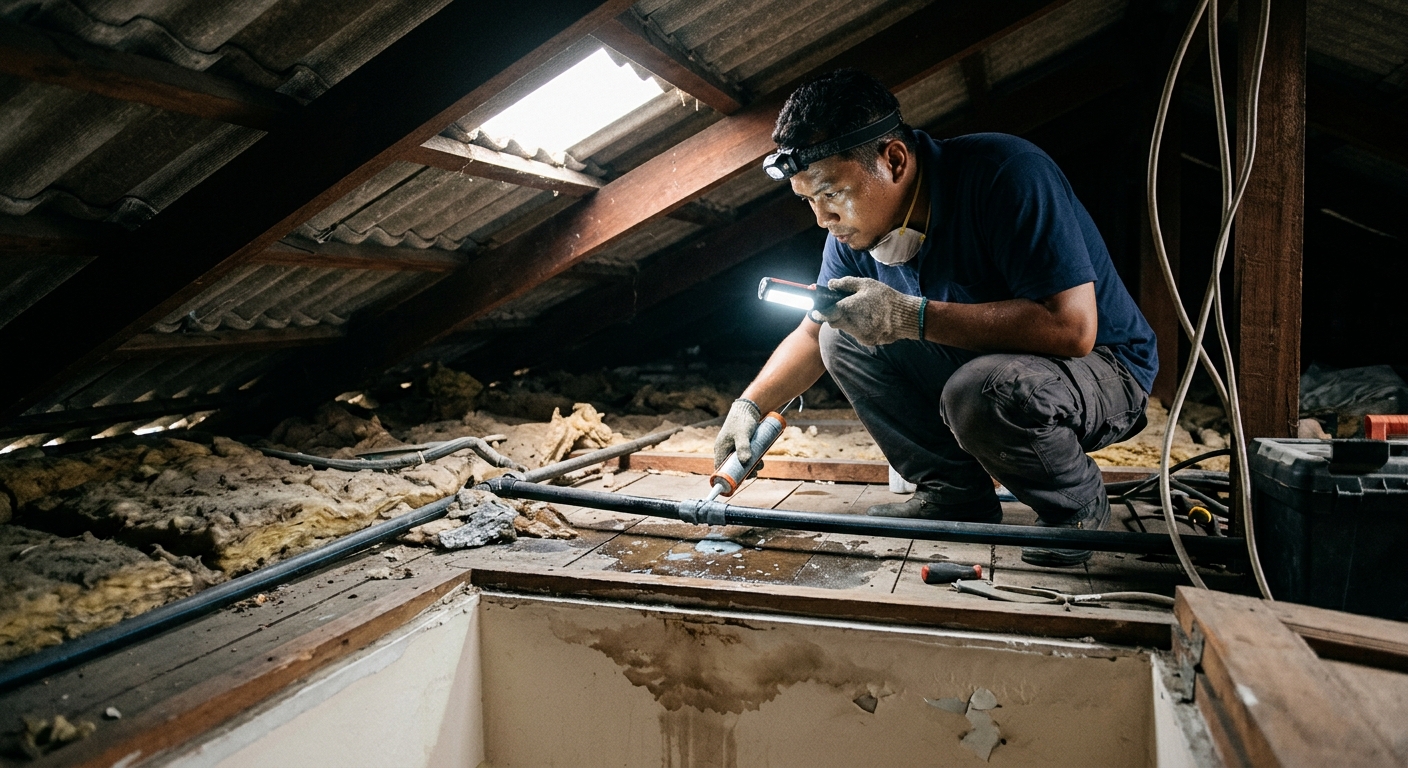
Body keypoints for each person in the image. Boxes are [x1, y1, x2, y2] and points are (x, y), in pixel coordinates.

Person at [713, 69, 1157, 567]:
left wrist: (910, 316)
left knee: (981, 389)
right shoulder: (853, 232)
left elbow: (1072, 328)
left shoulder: (1006, 174)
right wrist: (750, 406)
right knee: (844, 338)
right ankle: (954, 492)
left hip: (1105, 368)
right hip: (995, 368)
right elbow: (815, 332)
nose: (822, 217)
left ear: (894, 160)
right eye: (809, 200)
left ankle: (1075, 502)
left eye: (832, 193)